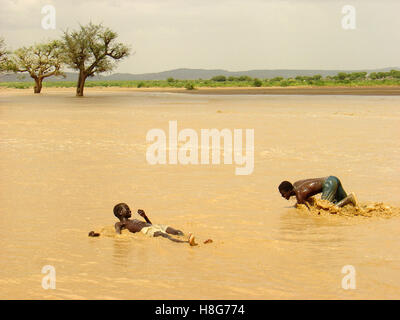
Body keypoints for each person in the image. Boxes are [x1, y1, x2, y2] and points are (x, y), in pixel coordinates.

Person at [91, 203, 197, 246]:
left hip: (153, 226)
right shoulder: (120, 223)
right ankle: (186, 242)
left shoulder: (134, 220)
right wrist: (98, 235)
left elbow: (149, 224)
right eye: (126, 209)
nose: (129, 210)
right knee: (164, 235)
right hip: (147, 231)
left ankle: (189, 238)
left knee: (176, 231)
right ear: (120, 212)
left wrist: (145, 216)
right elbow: (117, 235)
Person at [278, 176, 358, 208]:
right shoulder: (296, 184)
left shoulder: (299, 194)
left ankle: (349, 199)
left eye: (283, 194)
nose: (283, 196)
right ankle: (348, 201)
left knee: (325, 208)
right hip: (332, 179)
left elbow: (307, 209)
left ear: (289, 191)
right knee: (347, 207)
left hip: (329, 184)